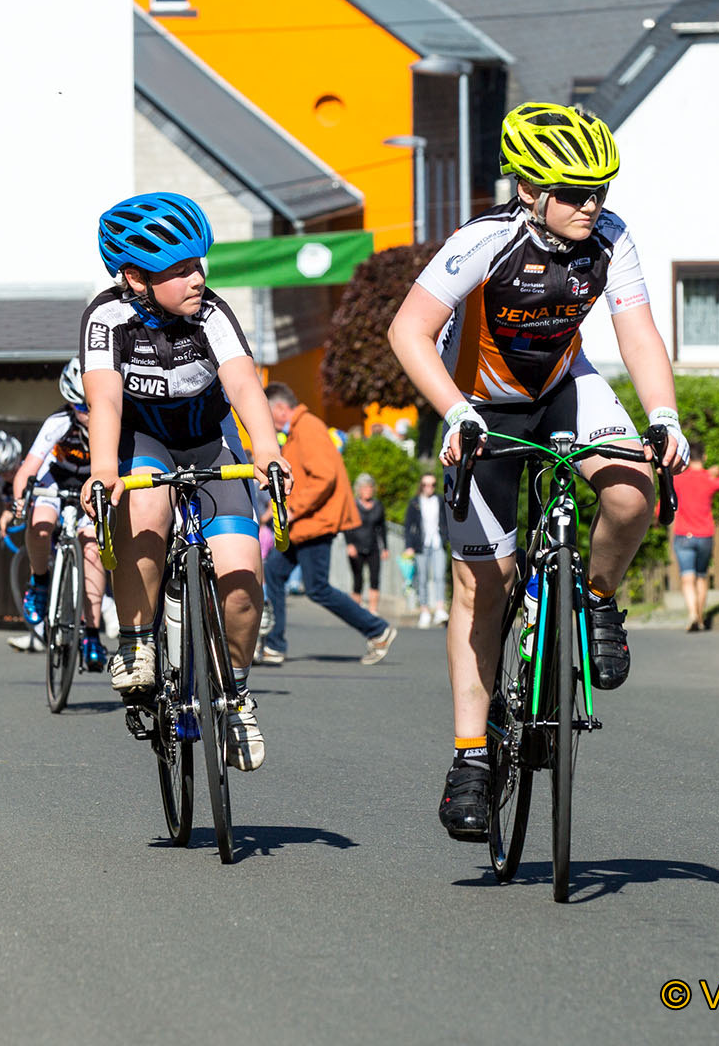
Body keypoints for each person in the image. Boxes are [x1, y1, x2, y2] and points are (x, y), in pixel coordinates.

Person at [386, 101, 688, 841]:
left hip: (560, 388)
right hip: (481, 406)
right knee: (481, 585)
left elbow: (639, 334)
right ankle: (470, 758)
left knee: (631, 491)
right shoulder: (482, 242)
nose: (593, 206)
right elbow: (408, 330)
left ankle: (597, 599)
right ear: (529, 190)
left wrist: (665, 416)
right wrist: (455, 411)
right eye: (576, 193)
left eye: (601, 191)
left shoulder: (611, 239)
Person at [78, 191, 289, 772]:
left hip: (208, 440)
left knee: (244, 575)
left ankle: (236, 694)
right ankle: (138, 641)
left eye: (200, 264)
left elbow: (245, 387)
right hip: (142, 442)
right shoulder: (107, 318)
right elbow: (105, 405)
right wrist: (102, 473)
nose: (199, 278)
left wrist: (269, 452)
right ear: (135, 278)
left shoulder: (213, 314)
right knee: (145, 513)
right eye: (181, 270)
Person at [258, 383, 398, 666]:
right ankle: (274, 645)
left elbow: (324, 477)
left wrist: (293, 510)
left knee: (317, 588)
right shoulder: (297, 431)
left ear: (281, 408)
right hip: (304, 524)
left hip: (315, 523)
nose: (268, 423)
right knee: (273, 571)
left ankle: (378, 630)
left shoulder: (307, 427)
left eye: (268, 415)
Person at [11, 361, 113, 673]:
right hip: (55, 480)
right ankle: (40, 583)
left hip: (89, 486)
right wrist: (19, 500)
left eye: (92, 406)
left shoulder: (110, 423)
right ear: (70, 402)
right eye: (81, 407)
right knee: (41, 524)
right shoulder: (59, 422)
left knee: (94, 547)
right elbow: (28, 468)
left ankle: (92, 634)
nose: (88, 414)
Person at [0, 430, 46, 653]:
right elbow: (8, 506)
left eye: (11, 469)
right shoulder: (1, 485)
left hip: (50, 515)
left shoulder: (34, 470)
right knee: (36, 571)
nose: (9, 475)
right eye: (2, 472)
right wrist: (4, 519)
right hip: (32, 524)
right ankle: (40, 631)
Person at [672, 441, 719, 632]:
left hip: (683, 535)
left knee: (687, 577)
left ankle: (691, 614)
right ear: (704, 457)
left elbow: (665, 502)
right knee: (701, 577)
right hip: (705, 534)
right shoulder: (708, 478)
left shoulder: (678, 479)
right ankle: (700, 616)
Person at [402, 472, 450, 628]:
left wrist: (447, 537)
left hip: (437, 543)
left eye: (432, 485)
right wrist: (408, 546)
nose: (429, 488)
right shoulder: (414, 503)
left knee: (439, 576)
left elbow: (447, 521)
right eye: (426, 484)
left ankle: (440, 609)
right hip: (421, 545)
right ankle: (424, 610)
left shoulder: (440, 501)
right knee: (421, 578)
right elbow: (408, 526)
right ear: (421, 486)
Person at [344, 474, 389, 615]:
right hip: (356, 546)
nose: (367, 490)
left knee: (375, 578)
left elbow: (382, 527)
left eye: (370, 487)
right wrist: (349, 544)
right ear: (359, 489)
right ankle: (356, 611)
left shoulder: (378, 505)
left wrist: (385, 547)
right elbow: (346, 525)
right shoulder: (352, 505)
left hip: (373, 546)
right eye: (364, 488)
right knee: (358, 580)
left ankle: (373, 610)